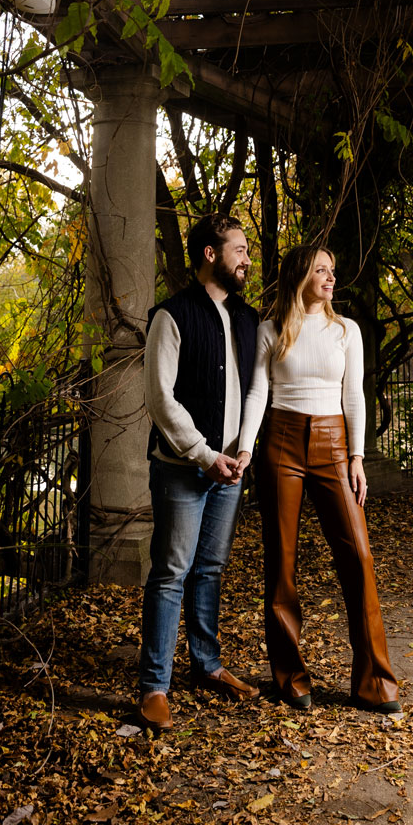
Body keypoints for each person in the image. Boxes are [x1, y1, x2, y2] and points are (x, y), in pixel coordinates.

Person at [235, 244, 400, 715]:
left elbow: (355, 396)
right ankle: (290, 676)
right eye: (321, 270)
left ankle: (375, 682)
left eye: (333, 270)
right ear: (301, 276)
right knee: (281, 562)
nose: (331, 278)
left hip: (333, 445)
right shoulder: (271, 331)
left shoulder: (346, 330)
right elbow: (257, 394)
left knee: (359, 555)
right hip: (281, 444)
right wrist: (246, 448)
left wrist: (358, 456)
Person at [137, 212, 261, 732]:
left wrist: (244, 449)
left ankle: (206, 665)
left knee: (209, 569)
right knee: (171, 573)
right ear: (211, 254)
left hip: (232, 469)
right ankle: (154, 686)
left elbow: (258, 388)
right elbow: (160, 400)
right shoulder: (171, 315)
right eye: (239, 250)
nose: (247, 259)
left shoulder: (250, 318)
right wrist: (206, 455)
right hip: (184, 470)